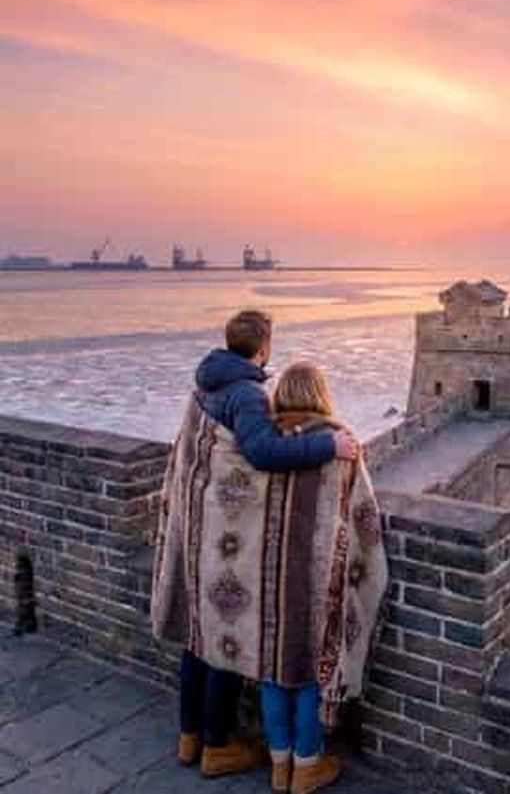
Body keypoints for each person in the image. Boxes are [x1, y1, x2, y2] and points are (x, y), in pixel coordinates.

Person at [151, 310, 358, 779]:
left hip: (198, 531)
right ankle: (217, 746)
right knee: (224, 640)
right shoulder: (246, 393)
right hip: (220, 537)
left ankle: (189, 737)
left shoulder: (205, 385)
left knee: (197, 638)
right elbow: (262, 454)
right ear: (263, 348)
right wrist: (329, 447)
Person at [261, 362, 388, 794]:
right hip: (320, 578)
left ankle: (279, 766)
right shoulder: (341, 443)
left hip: (268, 576)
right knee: (311, 673)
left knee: (273, 669)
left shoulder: (264, 443)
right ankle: (306, 766)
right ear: (320, 393)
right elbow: (364, 514)